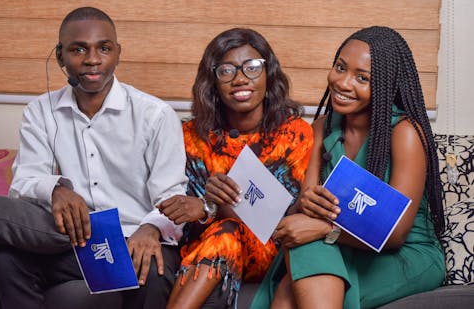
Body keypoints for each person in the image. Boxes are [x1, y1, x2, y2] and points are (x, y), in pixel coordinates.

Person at [0, 7, 188, 308]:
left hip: (136, 237)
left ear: (117, 53)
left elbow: (172, 194)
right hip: (75, 244)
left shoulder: (155, 115)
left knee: (154, 270)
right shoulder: (41, 112)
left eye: (104, 48)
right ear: (60, 57)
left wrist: (151, 229)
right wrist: (56, 190)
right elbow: (24, 183)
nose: (92, 59)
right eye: (78, 49)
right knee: (7, 261)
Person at [252, 26, 446, 309]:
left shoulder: (404, 133)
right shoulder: (321, 128)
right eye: (340, 67)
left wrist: (323, 230)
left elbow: (395, 235)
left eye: (362, 78)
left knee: (293, 287)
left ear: (385, 85)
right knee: (300, 255)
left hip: (403, 253)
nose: (343, 83)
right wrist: (307, 205)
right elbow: (309, 205)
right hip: (343, 244)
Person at [157, 28, 314, 308]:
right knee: (226, 233)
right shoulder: (191, 136)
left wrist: (211, 207)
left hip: (271, 250)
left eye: (252, 67)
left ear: (269, 73)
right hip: (206, 249)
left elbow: (286, 218)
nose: (240, 79)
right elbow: (182, 214)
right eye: (226, 70)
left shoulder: (294, 134)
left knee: (228, 229)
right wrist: (204, 209)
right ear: (213, 81)